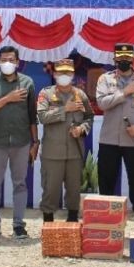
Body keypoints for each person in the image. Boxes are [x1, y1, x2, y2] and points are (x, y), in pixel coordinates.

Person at [95, 43, 134, 232]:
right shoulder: (105, 79)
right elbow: (101, 103)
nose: (123, 61)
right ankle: (106, 223)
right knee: (106, 181)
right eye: (120, 58)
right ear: (115, 59)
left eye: (127, 58)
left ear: (132, 59)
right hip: (109, 140)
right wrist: (125, 92)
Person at [0, 45, 38, 240]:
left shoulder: (27, 82)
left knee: (20, 184)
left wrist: (35, 142)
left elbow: (32, 116)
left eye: (11, 60)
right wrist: (7, 99)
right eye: (4, 60)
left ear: (18, 62)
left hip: (22, 142)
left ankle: (19, 225)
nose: (7, 63)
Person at [37, 59, 95, 223]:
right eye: (61, 72)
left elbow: (89, 117)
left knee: (74, 191)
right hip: (52, 153)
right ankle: (48, 225)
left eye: (67, 73)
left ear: (73, 75)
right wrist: (65, 109)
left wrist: (81, 129)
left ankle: (72, 224)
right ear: (54, 74)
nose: (64, 76)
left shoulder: (80, 95)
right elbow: (42, 117)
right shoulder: (46, 94)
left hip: (74, 152)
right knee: (50, 191)